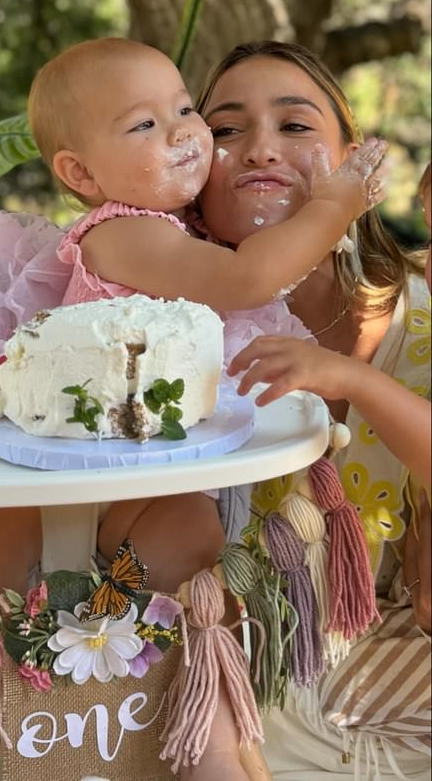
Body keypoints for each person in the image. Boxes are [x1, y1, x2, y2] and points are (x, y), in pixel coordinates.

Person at [0, 36, 386, 781]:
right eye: (147, 126)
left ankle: (211, 753)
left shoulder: (182, 242)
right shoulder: (126, 233)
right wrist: (333, 202)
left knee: (200, 605)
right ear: (79, 174)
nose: (186, 133)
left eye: (187, 112)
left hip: (148, 487)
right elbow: (254, 275)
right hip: (32, 488)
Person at [191, 42, 430, 780]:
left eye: (296, 126)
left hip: (396, 666)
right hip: (226, 672)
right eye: (224, 131)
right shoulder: (150, 326)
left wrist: (353, 381)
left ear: (357, 166)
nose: (260, 147)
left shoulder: (423, 308)